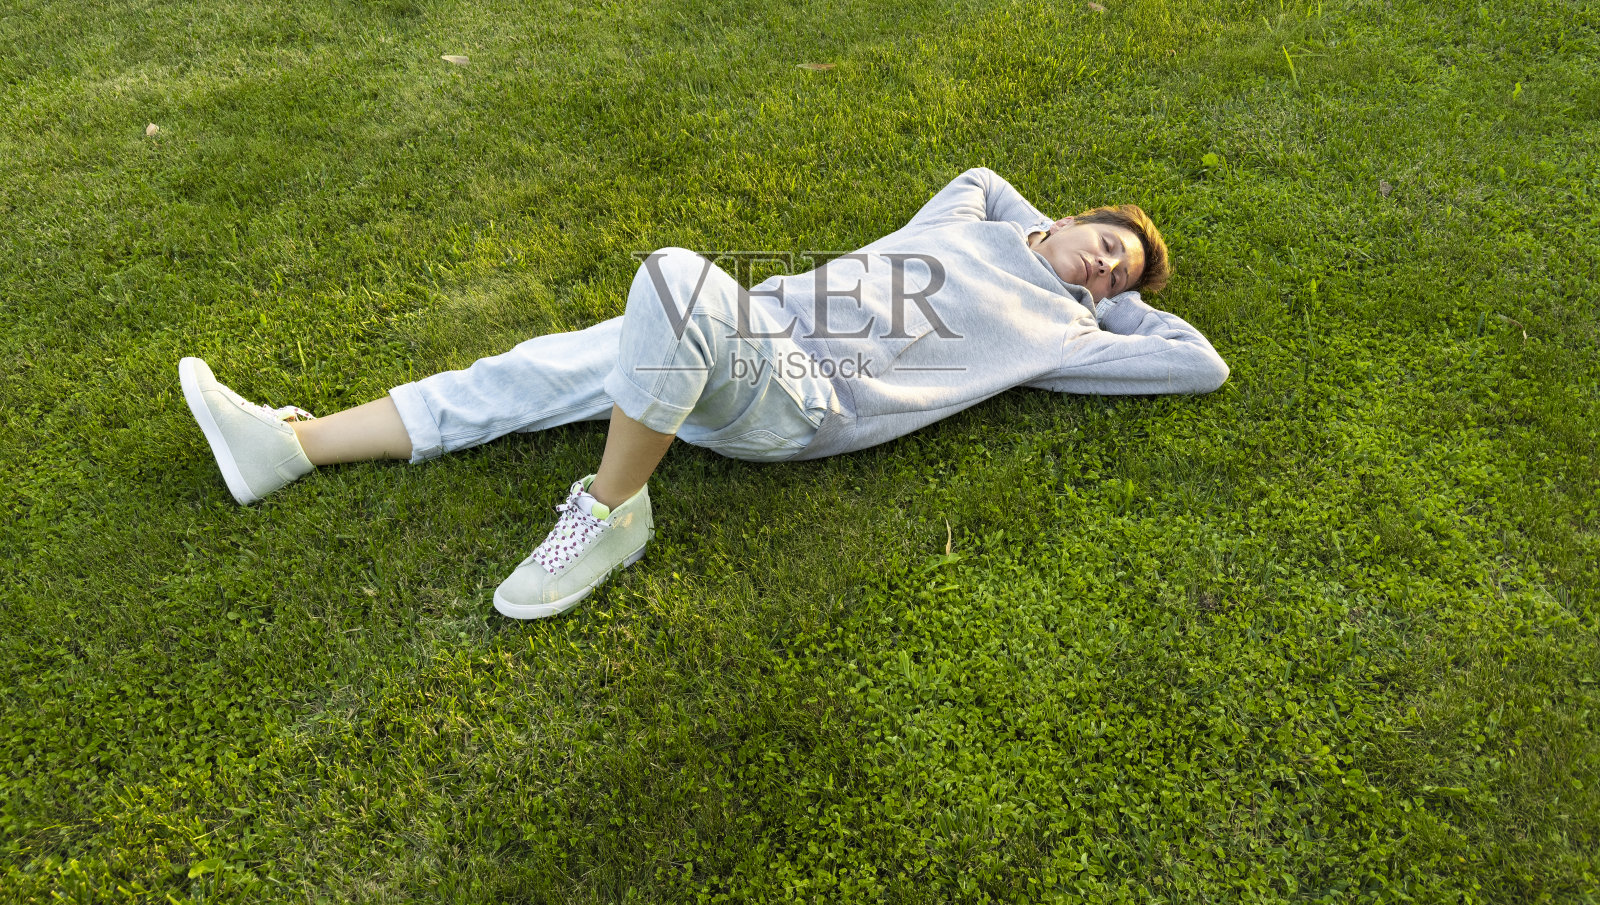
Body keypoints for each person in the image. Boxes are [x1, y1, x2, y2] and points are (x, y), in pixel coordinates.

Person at [179, 168, 1228, 620]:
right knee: (537, 369)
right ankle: (295, 446)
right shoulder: (965, 224)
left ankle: (611, 513)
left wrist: (1107, 305)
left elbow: (1198, 363)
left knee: (674, 277)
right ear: (1064, 220)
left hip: (807, 398)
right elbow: (983, 178)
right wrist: (1037, 234)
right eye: (1106, 245)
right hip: (749, 328)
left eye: (1121, 278)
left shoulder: (1066, 333)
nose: (1106, 270)